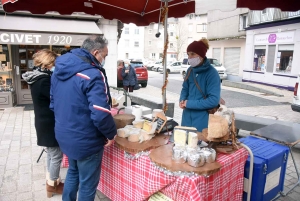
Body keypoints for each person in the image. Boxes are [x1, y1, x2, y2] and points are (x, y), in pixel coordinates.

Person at [50, 35, 117, 201]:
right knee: (87, 185)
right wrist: (110, 134)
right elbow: (101, 113)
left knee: (73, 172)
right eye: (105, 55)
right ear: (95, 52)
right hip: (86, 140)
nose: (105, 59)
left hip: (65, 134)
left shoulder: (58, 71)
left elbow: (53, 104)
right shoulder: (92, 74)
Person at [22, 49, 64, 198]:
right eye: (53, 64)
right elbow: (58, 99)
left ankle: (51, 181)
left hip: (43, 121)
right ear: (47, 64)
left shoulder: (36, 77)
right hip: (48, 123)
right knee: (56, 155)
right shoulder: (44, 80)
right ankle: (53, 185)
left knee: (51, 154)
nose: (55, 66)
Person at [179, 38, 221, 132]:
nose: (190, 57)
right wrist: (182, 99)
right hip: (186, 118)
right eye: (188, 54)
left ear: (202, 55)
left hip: (203, 121)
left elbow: (213, 100)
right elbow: (185, 88)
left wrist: (189, 103)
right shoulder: (190, 70)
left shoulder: (212, 73)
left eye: (193, 54)